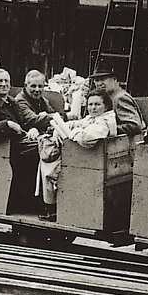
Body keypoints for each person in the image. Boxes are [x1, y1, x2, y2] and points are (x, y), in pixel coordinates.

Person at [0, 68, 55, 215]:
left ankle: (43, 201)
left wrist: (32, 130)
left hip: (19, 143)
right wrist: (6, 125)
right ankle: (40, 203)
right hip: (3, 147)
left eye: (6, 81)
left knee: (48, 147)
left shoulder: (12, 101)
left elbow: (24, 125)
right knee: (43, 150)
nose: (3, 84)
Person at [37, 91, 117, 221]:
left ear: (106, 106)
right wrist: (61, 128)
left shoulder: (104, 122)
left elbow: (86, 138)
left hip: (89, 161)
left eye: (97, 104)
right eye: (90, 104)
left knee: (50, 166)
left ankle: (51, 207)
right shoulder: (93, 118)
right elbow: (78, 124)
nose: (93, 108)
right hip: (86, 159)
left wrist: (70, 132)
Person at [90, 66, 144, 137]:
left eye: (103, 79)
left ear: (114, 80)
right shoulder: (108, 97)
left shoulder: (120, 98)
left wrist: (107, 130)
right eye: (96, 80)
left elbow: (134, 126)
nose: (99, 83)